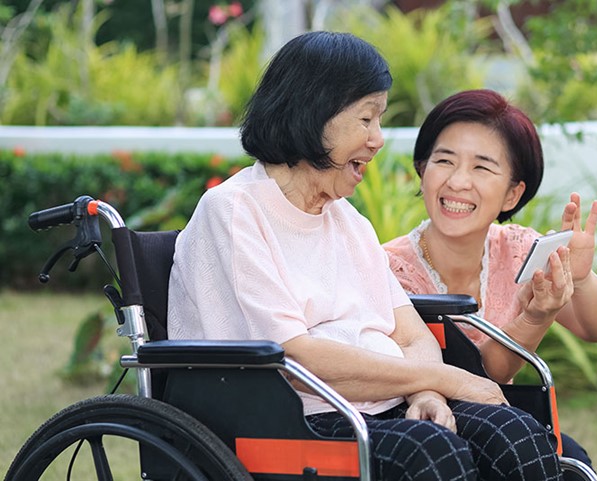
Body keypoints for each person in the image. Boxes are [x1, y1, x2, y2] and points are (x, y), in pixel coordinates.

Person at [168, 32, 571, 481]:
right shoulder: (236, 211)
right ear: (313, 113)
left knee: (513, 431)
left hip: (383, 403)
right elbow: (297, 357)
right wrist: (448, 381)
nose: (377, 139)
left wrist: (427, 394)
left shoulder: (347, 221)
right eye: (366, 118)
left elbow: (412, 334)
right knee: (433, 454)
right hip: (289, 418)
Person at [383, 89, 597, 472]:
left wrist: (580, 278)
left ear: (513, 193)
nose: (459, 182)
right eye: (444, 160)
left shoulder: (518, 250)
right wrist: (535, 318)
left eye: (482, 167)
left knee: (573, 459)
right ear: (422, 169)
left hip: (505, 424)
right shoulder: (387, 269)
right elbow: (477, 378)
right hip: (425, 435)